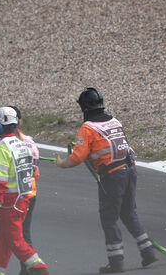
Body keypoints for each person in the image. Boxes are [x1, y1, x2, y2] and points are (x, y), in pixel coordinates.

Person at [54, 87, 158, 273]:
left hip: (112, 176)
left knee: (108, 219)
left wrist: (62, 163)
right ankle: (148, 251)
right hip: (130, 169)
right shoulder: (114, 121)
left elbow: (77, 157)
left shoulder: (88, 128)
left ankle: (116, 262)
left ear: (84, 108)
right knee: (128, 212)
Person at [0, 107, 49, 275]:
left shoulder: (1, 149)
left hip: (8, 204)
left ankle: (40, 269)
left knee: (16, 242)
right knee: (2, 244)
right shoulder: (24, 146)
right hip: (23, 201)